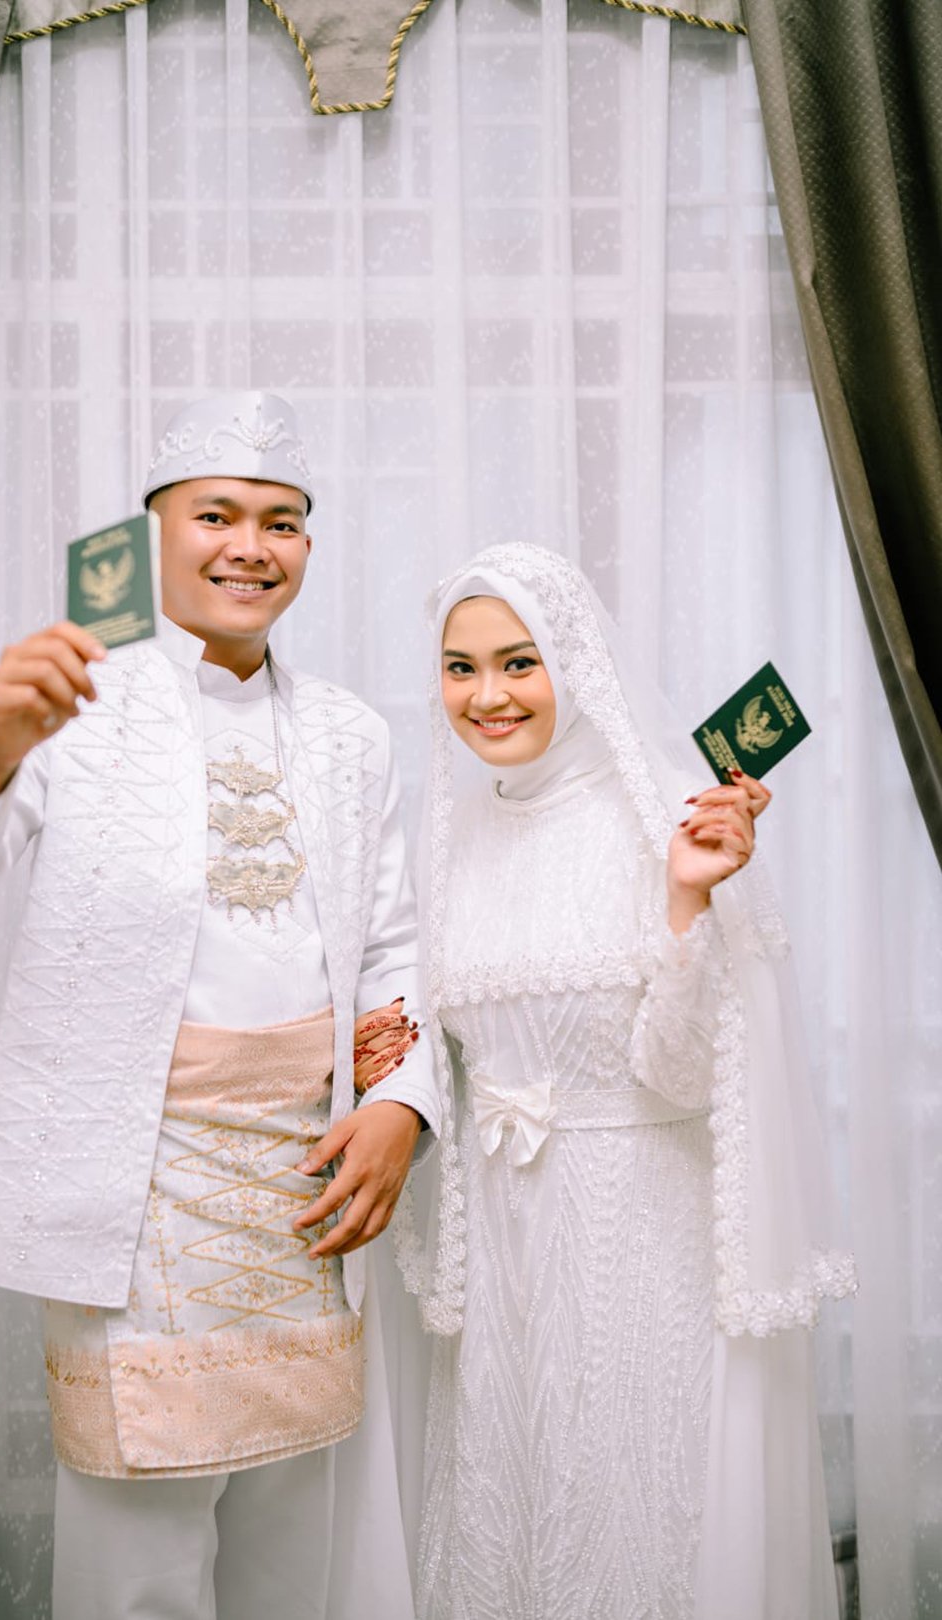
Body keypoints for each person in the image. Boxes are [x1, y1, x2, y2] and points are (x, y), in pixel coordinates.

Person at [0, 390, 440, 1620]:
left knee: (293, 1555)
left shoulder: (351, 734)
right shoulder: (71, 694)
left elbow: (393, 945)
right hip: (126, 1185)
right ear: (151, 537)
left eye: (281, 521)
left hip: (305, 1180)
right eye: (217, 515)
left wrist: (400, 1106)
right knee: (136, 1561)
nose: (251, 546)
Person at [395, 542, 855, 1620]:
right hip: (506, 1256)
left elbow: (687, 1077)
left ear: (574, 661)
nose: (488, 695)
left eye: (519, 662)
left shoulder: (665, 815)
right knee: (514, 1515)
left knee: (635, 1518)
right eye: (461, 668)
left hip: (643, 1242)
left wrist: (688, 900)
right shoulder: (447, 836)